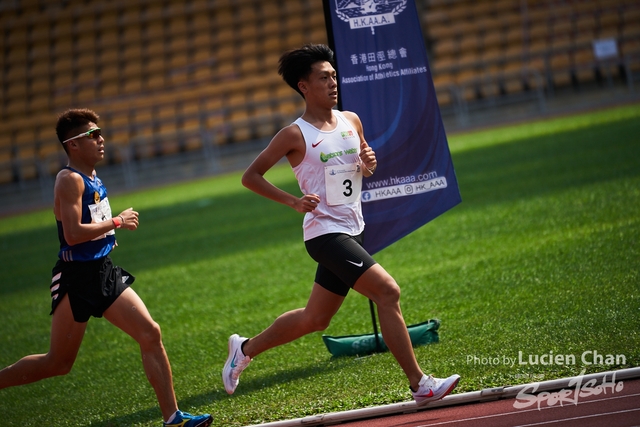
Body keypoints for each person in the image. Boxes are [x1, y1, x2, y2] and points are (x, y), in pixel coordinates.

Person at [222, 44, 460, 406]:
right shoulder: (294, 134)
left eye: (334, 76)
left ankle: (244, 348)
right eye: (324, 77)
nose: (333, 82)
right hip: (324, 232)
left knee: (316, 318)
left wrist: (368, 163)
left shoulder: (351, 120)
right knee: (388, 292)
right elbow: (250, 176)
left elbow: (363, 167)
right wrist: (293, 201)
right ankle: (420, 385)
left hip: (354, 228)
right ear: (304, 86)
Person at [0, 109, 212, 427]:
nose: (101, 139)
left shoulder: (94, 177)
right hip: (77, 278)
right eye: (92, 135)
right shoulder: (69, 180)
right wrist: (117, 222)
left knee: (150, 333)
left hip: (104, 271)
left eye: (100, 133)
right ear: (72, 145)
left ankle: (173, 419)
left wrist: (109, 235)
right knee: (57, 363)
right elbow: (72, 234)